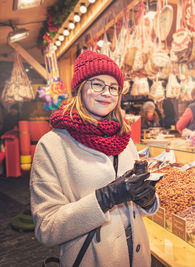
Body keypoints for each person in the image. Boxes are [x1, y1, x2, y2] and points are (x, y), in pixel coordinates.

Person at [30, 50, 159, 267]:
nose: (106, 93)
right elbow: (46, 227)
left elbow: (134, 209)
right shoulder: (53, 145)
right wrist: (104, 198)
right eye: (97, 84)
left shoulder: (124, 140)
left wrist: (146, 200)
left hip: (136, 257)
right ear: (80, 88)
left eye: (113, 87)